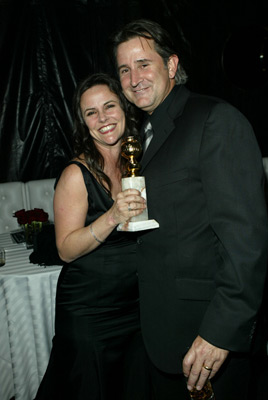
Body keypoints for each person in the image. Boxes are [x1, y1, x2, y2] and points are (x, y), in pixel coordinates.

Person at [109, 19, 268, 399]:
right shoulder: (148, 132)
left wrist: (220, 332)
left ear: (171, 66)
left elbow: (246, 241)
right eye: (124, 70)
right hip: (166, 330)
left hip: (207, 336)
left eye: (144, 64)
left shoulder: (214, 120)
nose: (134, 78)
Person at [34, 72, 149, 400]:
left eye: (109, 106)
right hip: (90, 313)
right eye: (91, 113)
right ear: (83, 123)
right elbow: (66, 250)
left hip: (137, 307)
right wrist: (113, 214)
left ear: (125, 108)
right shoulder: (75, 174)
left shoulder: (139, 163)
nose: (103, 119)